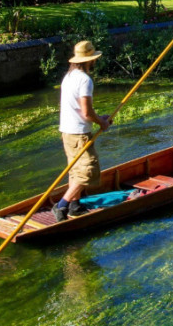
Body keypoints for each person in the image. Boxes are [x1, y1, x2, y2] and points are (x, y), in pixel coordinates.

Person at [53, 40, 112, 223]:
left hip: (67, 131)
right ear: (90, 60)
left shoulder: (69, 76)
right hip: (78, 133)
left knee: (74, 169)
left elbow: (79, 109)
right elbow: (86, 112)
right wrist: (101, 122)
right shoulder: (85, 80)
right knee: (88, 170)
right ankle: (62, 205)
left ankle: (75, 206)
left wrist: (100, 118)